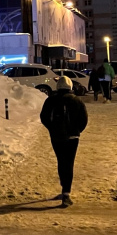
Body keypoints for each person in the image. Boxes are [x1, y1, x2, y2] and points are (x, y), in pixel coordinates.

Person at [39, 76, 89, 207]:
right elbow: (84, 119)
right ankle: (66, 192)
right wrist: (77, 131)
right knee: (69, 163)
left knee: (61, 161)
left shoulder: (51, 100)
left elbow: (44, 117)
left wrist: (52, 128)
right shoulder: (77, 100)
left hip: (56, 137)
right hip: (73, 137)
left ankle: (64, 187)